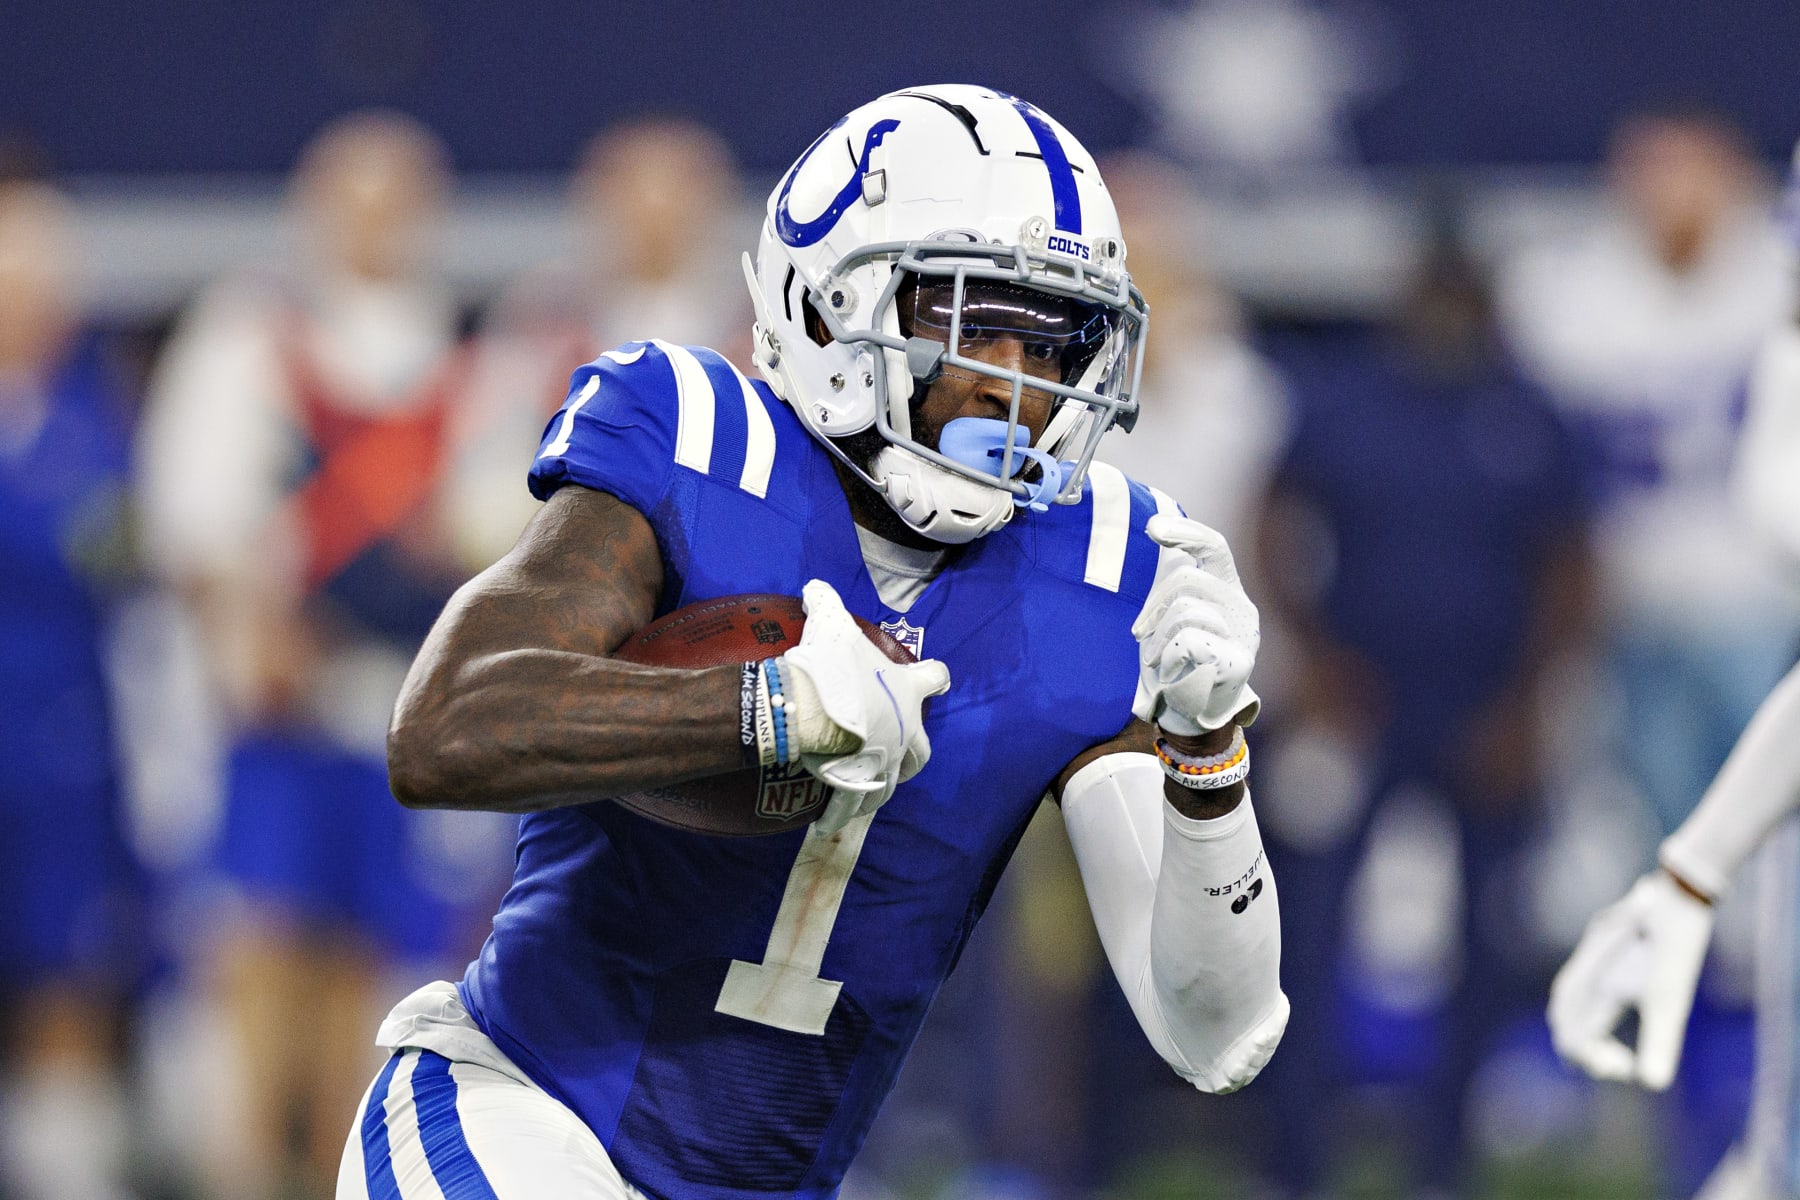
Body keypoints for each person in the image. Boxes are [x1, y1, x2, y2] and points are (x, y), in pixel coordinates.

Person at [337, 84, 1289, 1200]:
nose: (1015, 387)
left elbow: (1214, 1034)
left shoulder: (1103, 570)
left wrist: (1208, 758)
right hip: (519, 1116)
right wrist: (769, 710)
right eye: (972, 321)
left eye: (1055, 341)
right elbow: (445, 729)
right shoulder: (698, 436)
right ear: (830, 303)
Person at [137, 110, 517, 1200]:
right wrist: (251, 623)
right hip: (279, 709)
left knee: (386, 966)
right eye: (355, 201)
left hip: (402, 708)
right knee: (260, 952)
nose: (375, 223)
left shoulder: (468, 355)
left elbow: (503, 533)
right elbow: (194, 517)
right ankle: (249, 1169)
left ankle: (353, 1173)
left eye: (396, 201)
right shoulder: (250, 333)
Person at [1551, 146, 1800, 1200]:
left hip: (1748, 623)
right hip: (1653, 621)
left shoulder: (1759, 294)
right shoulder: (1586, 291)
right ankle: (1695, 1133)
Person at [0, 178, 147, 1200]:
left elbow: (108, 555)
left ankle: (67, 1169)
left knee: (68, 957)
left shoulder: (99, 425)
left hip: (59, 742)